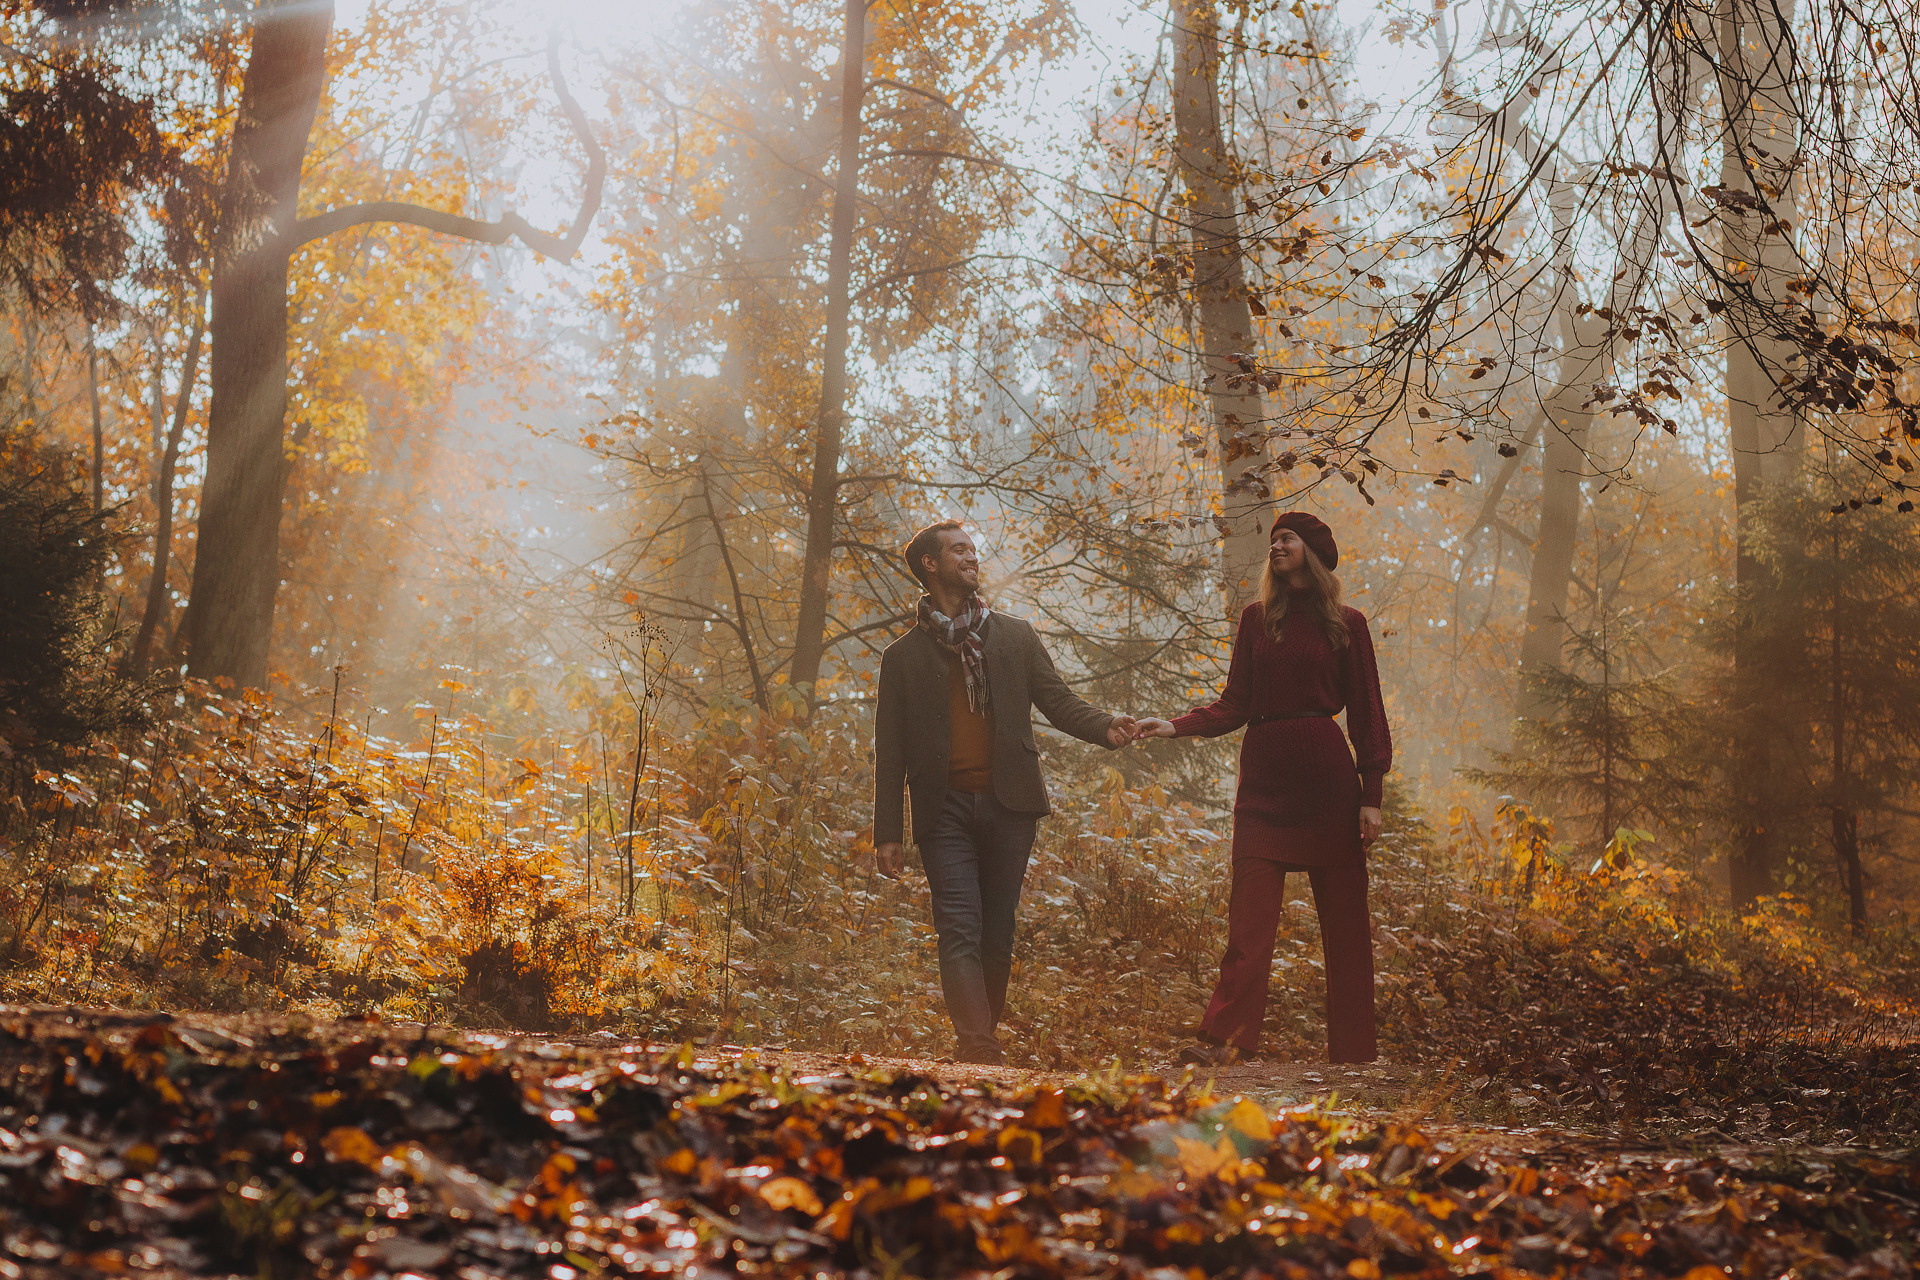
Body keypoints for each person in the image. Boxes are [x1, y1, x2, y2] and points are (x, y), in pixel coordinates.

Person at [873, 520, 1139, 1064]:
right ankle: (977, 1043)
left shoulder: (1014, 636)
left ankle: (981, 1037)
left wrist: (1106, 726)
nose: (972, 557)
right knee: (959, 925)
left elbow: (1058, 701)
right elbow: (891, 750)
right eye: (959, 550)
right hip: (941, 808)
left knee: (997, 932)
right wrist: (887, 832)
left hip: (1010, 805)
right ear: (930, 564)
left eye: (973, 549)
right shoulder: (902, 658)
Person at [1135, 511, 1392, 1065]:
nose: (1276, 546)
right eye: (1274, 539)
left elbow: (1367, 712)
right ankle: (1227, 1042)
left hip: (1328, 784)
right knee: (1249, 924)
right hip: (1265, 788)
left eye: (1288, 538)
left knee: (1346, 925)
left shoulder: (1347, 622)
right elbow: (1235, 703)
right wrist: (1176, 725)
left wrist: (1371, 795)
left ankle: (1354, 1050)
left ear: (1313, 551)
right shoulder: (1257, 620)